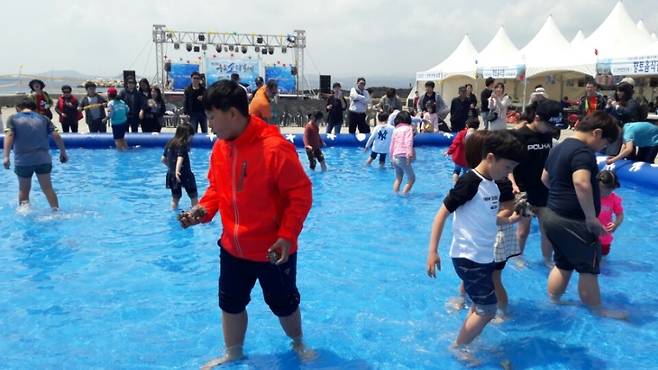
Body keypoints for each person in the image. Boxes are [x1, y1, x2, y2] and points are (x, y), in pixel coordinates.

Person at [177, 80, 313, 368]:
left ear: (233, 114)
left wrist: (287, 236)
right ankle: (233, 354)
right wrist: (201, 211)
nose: (209, 123)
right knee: (230, 302)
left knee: (283, 303)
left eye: (212, 116)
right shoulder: (221, 149)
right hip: (233, 248)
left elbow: (300, 195)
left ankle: (298, 343)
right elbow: (216, 190)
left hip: (273, 250)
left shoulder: (274, 149)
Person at [426, 130, 525, 357]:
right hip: (468, 257)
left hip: (484, 256)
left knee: (479, 305)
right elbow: (441, 214)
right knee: (489, 309)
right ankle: (458, 348)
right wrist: (433, 251)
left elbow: (489, 219)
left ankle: (468, 341)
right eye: (507, 167)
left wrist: (511, 219)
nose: (509, 173)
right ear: (490, 158)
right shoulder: (470, 181)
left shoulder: (492, 184)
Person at [540, 111, 627, 320]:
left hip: (552, 216)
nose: (604, 148)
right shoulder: (583, 152)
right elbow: (581, 182)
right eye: (605, 142)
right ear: (597, 133)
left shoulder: (559, 147)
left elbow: (544, 179)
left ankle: (553, 300)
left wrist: (562, 196)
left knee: (563, 262)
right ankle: (598, 310)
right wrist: (590, 217)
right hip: (575, 222)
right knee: (589, 267)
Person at [509, 100, 565, 267]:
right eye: (549, 125)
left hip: (544, 190)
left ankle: (547, 260)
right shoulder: (519, 136)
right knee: (523, 229)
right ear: (537, 118)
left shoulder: (548, 135)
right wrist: (513, 184)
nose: (552, 130)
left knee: (547, 230)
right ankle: (517, 257)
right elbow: (509, 163)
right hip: (524, 190)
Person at [3, 98, 68, 210]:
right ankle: (56, 211)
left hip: (23, 161)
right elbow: (56, 135)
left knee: (23, 189)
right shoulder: (44, 118)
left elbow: (9, 135)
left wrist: (6, 156)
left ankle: (25, 213)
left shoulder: (13, 119)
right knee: (47, 188)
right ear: (34, 108)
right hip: (43, 159)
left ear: (18, 108)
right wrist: (63, 152)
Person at [161, 123, 197, 209]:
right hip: (185, 174)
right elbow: (180, 158)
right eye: (191, 136)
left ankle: (174, 212)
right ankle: (196, 213)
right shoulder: (183, 144)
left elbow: (162, 159)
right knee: (193, 196)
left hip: (172, 175)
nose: (191, 139)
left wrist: (172, 169)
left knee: (175, 199)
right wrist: (177, 170)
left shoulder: (170, 142)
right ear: (187, 135)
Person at [606, 82, 640, 156]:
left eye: (621, 91)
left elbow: (628, 112)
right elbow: (607, 114)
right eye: (617, 91)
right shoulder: (618, 101)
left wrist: (617, 106)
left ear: (626, 92)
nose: (618, 93)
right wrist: (608, 106)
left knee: (628, 153)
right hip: (617, 131)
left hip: (628, 131)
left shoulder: (632, 102)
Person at [596, 170, 623, 258]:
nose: (603, 194)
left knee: (602, 258)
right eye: (600, 190)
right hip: (589, 234)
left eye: (607, 191)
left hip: (605, 237)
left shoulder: (614, 199)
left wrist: (616, 224)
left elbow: (620, 215)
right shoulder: (591, 196)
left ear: (613, 188)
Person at [389, 111, 415, 195]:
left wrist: (391, 158)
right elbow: (409, 142)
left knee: (398, 178)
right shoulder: (408, 128)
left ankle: (395, 194)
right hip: (403, 156)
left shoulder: (396, 130)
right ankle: (404, 195)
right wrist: (409, 154)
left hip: (395, 156)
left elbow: (392, 144)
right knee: (412, 178)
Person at [447, 117, 479, 184]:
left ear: (466, 125)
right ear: (477, 127)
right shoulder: (477, 136)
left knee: (456, 171)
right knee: (466, 173)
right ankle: (464, 185)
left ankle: (455, 184)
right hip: (467, 160)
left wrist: (449, 152)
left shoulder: (461, 133)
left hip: (458, 158)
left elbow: (455, 143)